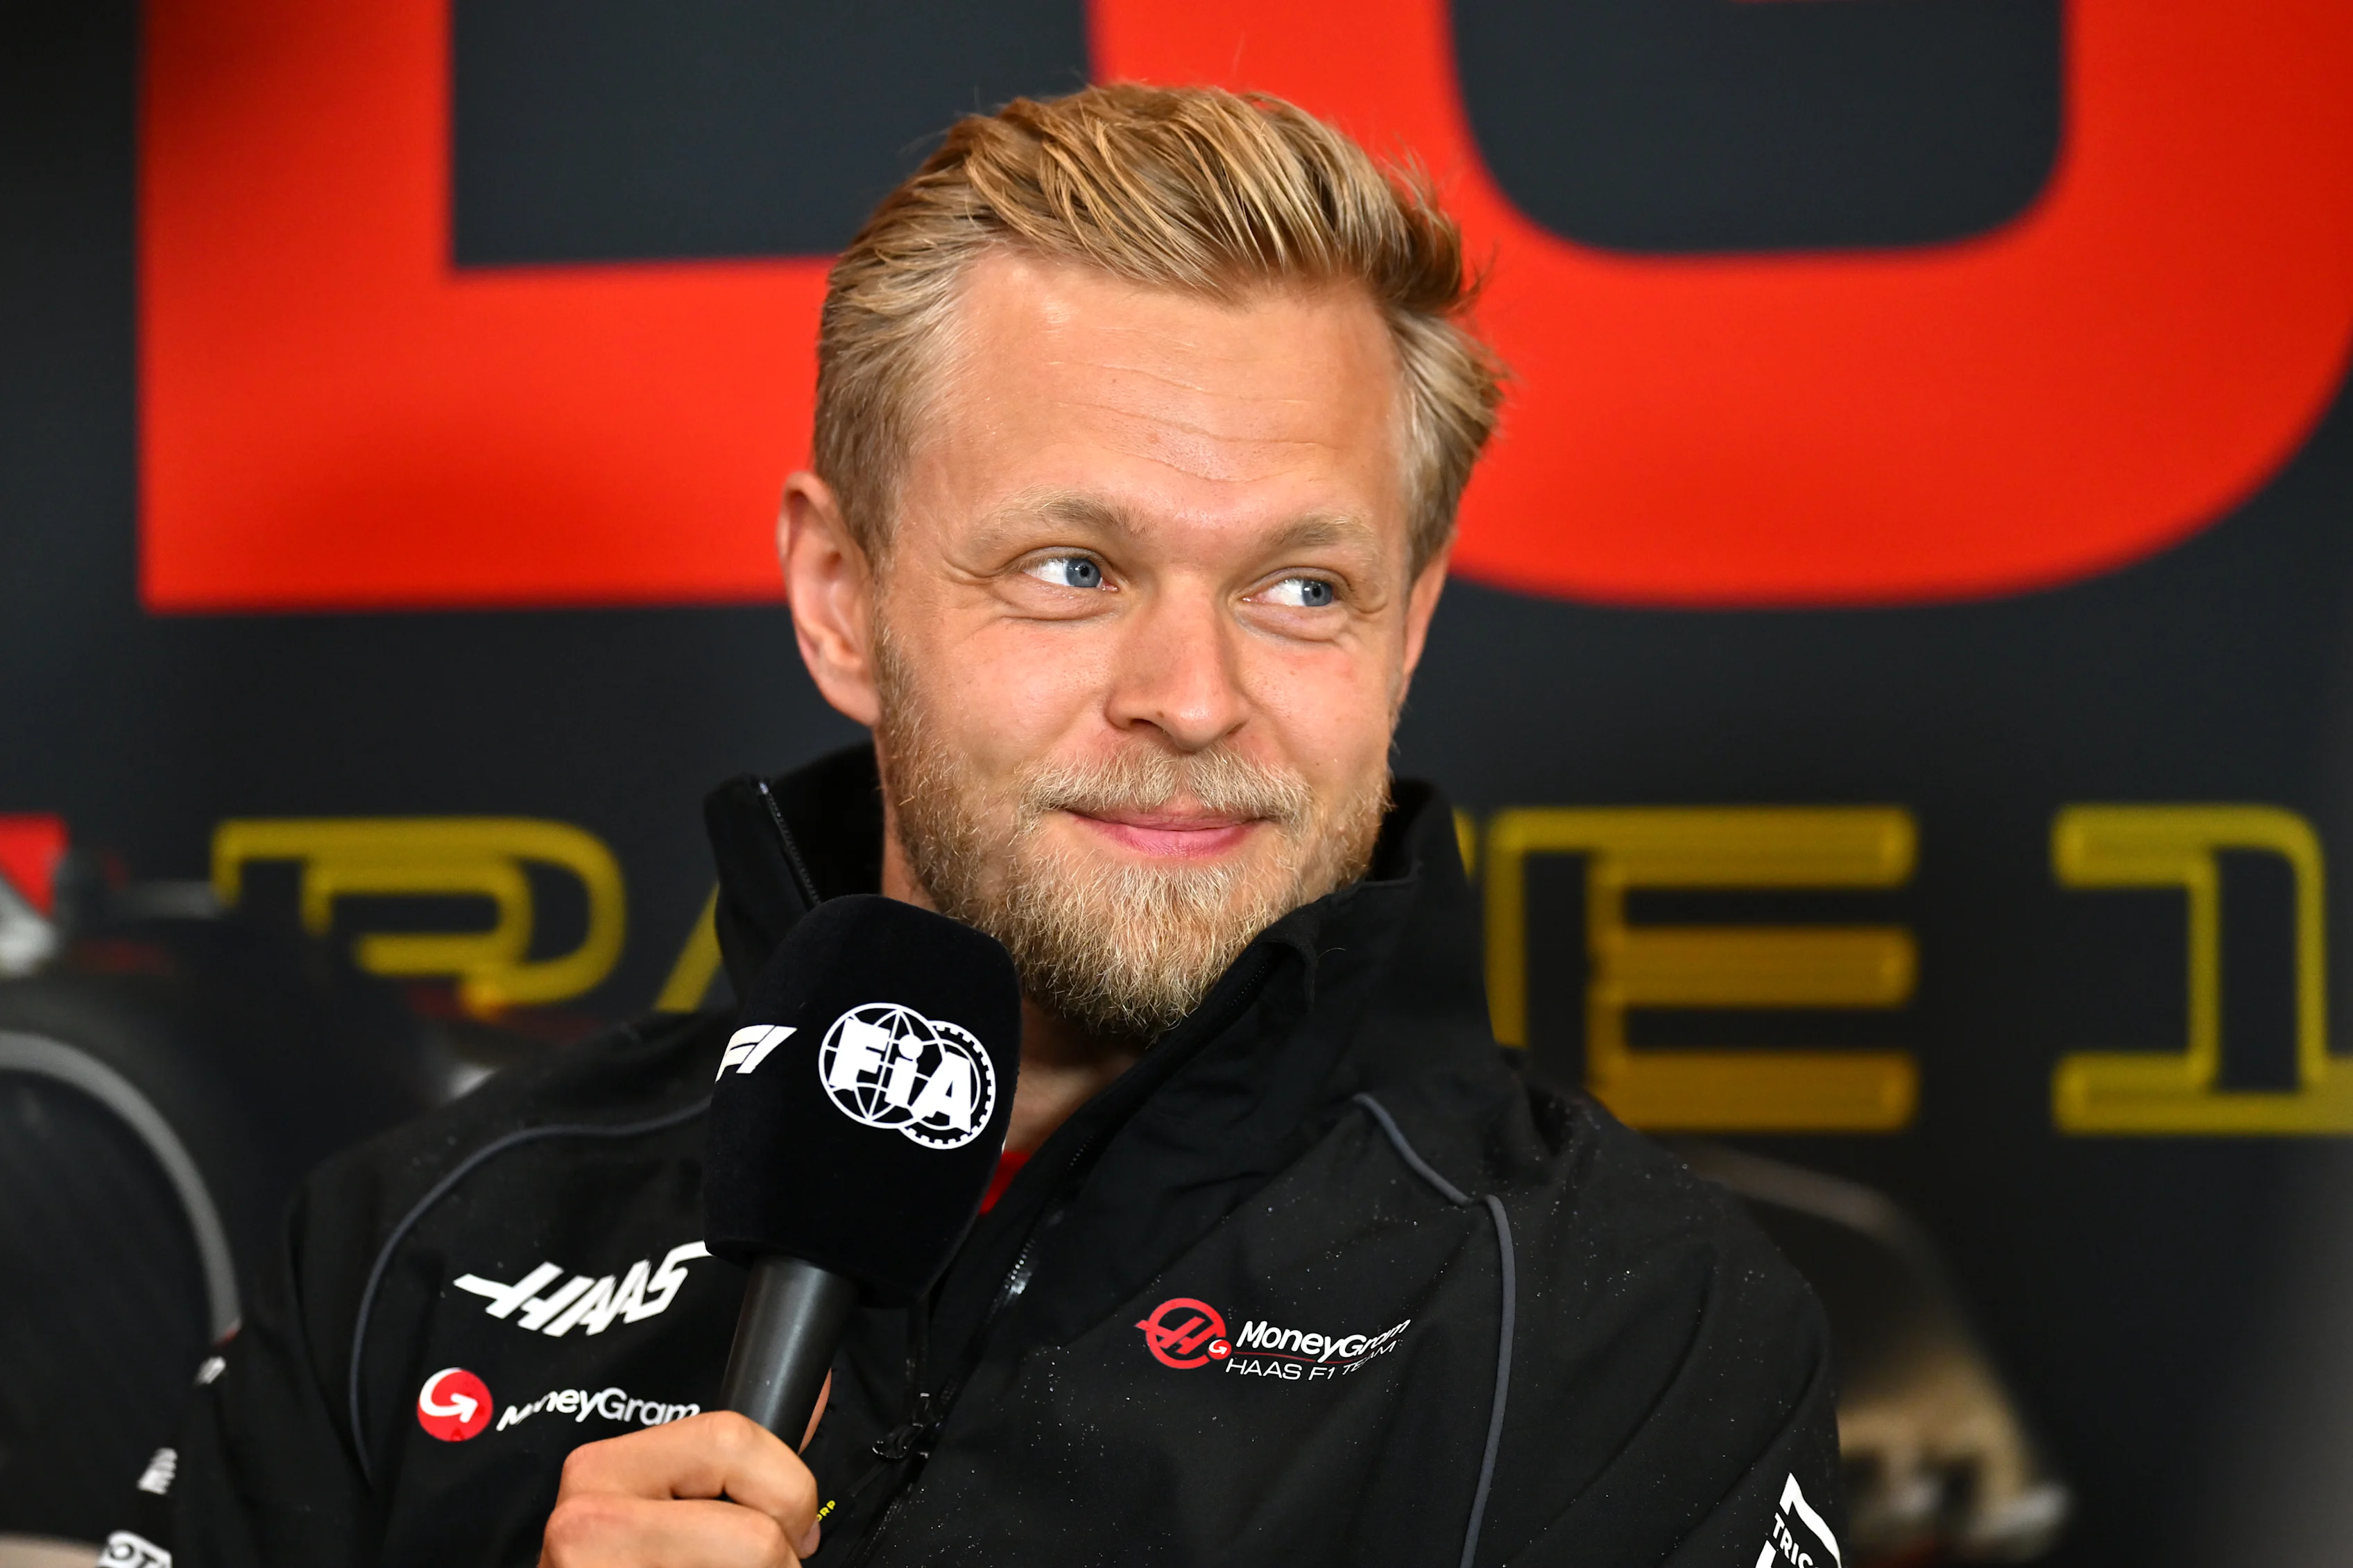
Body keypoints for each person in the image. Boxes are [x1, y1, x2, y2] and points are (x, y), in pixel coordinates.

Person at [105, 85, 1842, 1568]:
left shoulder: (1634, 1326)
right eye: (1072, 569)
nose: (1190, 692)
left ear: (1406, 624)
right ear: (842, 596)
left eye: (1302, 585)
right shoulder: (421, 1242)